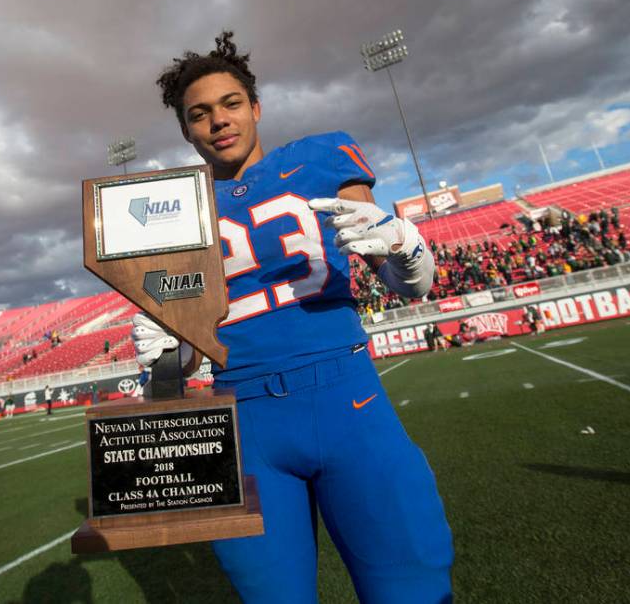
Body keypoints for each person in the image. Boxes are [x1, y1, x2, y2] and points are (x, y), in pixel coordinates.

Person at [133, 32, 452, 603]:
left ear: (255, 107)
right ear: (186, 130)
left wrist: (403, 242)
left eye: (231, 104)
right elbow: (176, 370)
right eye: (199, 114)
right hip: (243, 422)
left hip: (347, 397)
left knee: (412, 586)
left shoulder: (321, 159)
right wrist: (165, 354)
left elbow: (411, 284)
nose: (218, 122)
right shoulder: (170, 210)